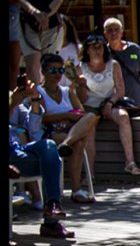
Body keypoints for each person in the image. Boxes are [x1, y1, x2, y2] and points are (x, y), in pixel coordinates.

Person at [25, 54, 98, 203]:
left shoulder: (67, 91)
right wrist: (67, 116)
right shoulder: (38, 93)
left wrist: (66, 119)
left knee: (91, 116)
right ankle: (77, 189)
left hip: (68, 131)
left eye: (60, 70)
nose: (57, 74)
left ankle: (66, 145)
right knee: (78, 144)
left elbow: (80, 113)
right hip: (48, 132)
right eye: (52, 70)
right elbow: (42, 118)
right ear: (44, 72)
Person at [79, 32, 140, 178]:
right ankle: (90, 174)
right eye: (94, 47)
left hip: (109, 101)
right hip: (89, 106)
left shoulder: (113, 65)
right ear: (87, 50)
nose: (97, 50)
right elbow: (81, 99)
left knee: (123, 117)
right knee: (89, 131)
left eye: (100, 47)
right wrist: (81, 85)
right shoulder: (80, 67)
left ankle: (130, 162)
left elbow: (121, 90)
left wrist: (110, 103)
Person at [9, 94, 72, 239]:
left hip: (19, 149)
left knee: (49, 146)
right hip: (10, 154)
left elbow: (34, 129)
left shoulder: (13, 98)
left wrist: (35, 100)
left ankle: (52, 205)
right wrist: (12, 105)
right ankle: (51, 224)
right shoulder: (13, 101)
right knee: (53, 163)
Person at [104, 17, 140, 115]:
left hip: (137, 100)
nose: (113, 33)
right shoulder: (103, 53)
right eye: (110, 30)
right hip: (115, 102)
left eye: (116, 29)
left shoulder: (134, 49)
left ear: (122, 32)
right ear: (105, 34)